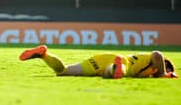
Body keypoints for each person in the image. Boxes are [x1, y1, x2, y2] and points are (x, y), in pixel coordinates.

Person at [19, 45, 178, 78]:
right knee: (117, 72)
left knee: (63, 71)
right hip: (122, 62)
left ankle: (44, 55)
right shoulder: (151, 62)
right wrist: (164, 74)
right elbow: (157, 54)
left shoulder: (147, 68)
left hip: (100, 58)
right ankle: (115, 68)